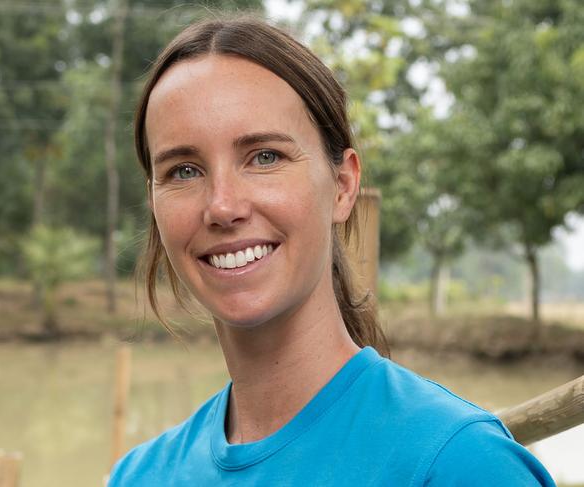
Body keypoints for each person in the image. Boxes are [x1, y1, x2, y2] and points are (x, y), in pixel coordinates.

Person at [108, 16, 555, 486]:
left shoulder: (460, 464)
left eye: (265, 157)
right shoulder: (140, 475)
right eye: (183, 170)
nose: (223, 206)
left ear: (343, 185)